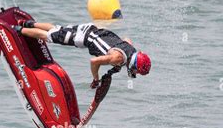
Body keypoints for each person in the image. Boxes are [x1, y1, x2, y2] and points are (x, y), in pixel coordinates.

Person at [13, 20, 151, 89]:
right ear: (134, 64)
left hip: (91, 29)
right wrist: (96, 78)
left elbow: (126, 39)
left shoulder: (130, 48)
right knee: (49, 37)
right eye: (136, 70)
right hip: (82, 37)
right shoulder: (118, 58)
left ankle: (29, 23)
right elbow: (94, 61)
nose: (134, 72)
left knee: (58, 29)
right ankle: (18, 30)